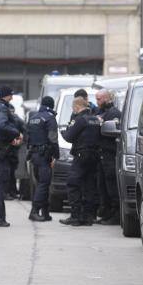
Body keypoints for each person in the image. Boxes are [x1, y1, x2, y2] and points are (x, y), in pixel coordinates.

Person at [59, 96, 101, 226]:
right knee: (89, 186)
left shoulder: (80, 120)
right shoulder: (95, 119)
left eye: (73, 108)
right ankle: (88, 217)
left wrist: (63, 131)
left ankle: (75, 216)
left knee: (73, 184)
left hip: (81, 155)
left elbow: (69, 137)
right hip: (94, 156)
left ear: (77, 106)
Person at [0, 87, 21, 227]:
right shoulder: (2, 109)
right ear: (8, 96)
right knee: (1, 186)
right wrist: (16, 133)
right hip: (2, 151)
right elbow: (2, 125)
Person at [27, 95, 59, 222]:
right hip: (45, 155)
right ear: (51, 106)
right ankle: (34, 211)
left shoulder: (33, 117)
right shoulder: (50, 118)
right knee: (44, 183)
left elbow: (27, 137)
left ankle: (45, 212)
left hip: (34, 155)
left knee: (41, 183)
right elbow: (53, 138)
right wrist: (56, 155)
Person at [95, 89, 122, 225]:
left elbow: (112, 132)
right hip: (101, 155)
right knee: (103, 186)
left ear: (106, 98)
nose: (97, 102)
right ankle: (107, 212)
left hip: (110, 155)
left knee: (111, 186)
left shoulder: (114, 113)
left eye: (99, 99)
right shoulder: (100, 112)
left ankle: (116, 214)